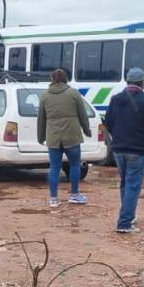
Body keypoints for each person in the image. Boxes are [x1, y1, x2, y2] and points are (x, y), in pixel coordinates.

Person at [102, 67, 144, 233]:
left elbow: (108, 122)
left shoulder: (115, 99)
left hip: (119, 149)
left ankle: (127, 215)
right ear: (142, 83)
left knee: (125, 184)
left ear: (127, 81)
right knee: (132, 186)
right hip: (138, 150)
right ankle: (125, 222)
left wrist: (118, 137)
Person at [38, 68, 91, 207]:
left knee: (54, 167)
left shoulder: (45, 96)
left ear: (52, 79)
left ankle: (54, 199)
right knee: (74, 164)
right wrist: (87, 130)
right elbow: (82, 115)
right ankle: (74, 194)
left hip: (53, 137)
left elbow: (41, 119)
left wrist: (40, 136)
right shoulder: (73, 93)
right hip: (72, 136)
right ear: (65, 79)